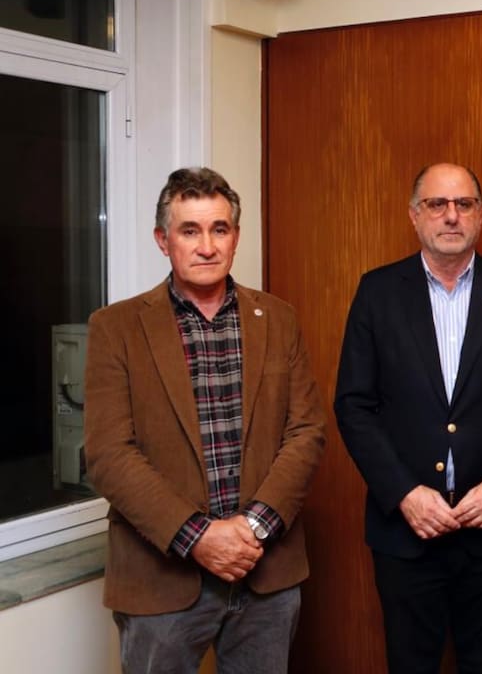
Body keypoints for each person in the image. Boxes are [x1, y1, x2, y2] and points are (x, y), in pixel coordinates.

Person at [84, 167, 326, 673]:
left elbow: (305, 432)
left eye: (219, 229)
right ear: (162, 240)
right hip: (161, 580)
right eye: (189, 230)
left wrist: (252, 529)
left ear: (235, 237)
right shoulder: (116, 328)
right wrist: (200, 537)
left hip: (266, 572)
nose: (206, 246)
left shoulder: (278, 318)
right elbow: (109, 455)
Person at [334, 162, 482, 674]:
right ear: (415, 216)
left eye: (464, 204)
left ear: (480, 215)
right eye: (437, 204)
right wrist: (405, 494)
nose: (451, 216)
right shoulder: (378, 292)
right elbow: (354, 405)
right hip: (406, 535)